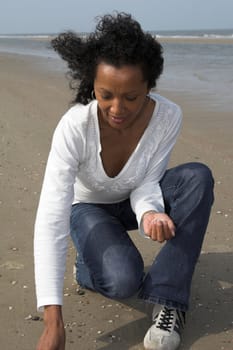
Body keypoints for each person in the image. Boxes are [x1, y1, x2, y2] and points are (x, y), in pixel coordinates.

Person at [34, 12, 214, 350]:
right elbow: (51, 217)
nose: (117, 108)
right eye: (105, 95)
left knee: (196, 177)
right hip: (87, 207)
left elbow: (147, 181)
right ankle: (87, 266)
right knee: (122, 280)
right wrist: (53, 319)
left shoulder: (168, 116)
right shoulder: (75, 127)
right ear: (92, 86)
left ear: (149, 86)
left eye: (131, 97)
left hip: (133, 198)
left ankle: (169, 300)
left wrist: (150, 214)